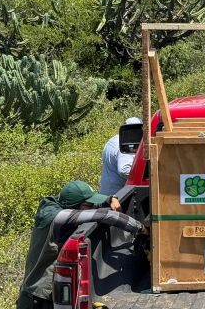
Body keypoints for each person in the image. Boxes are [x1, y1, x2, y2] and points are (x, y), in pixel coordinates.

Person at [18, 181, 144, 309]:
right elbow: (106, 215)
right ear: (74, 206)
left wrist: (109, 198)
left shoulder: (54, 204)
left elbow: (88, 208)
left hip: (40, 293)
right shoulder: (58, 218)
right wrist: (142, 228)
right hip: (37, 297)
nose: (93, 207)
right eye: (89, 205)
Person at [99, 117, 143, 195]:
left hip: (106, 192)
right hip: (117, 195)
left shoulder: (113, 140)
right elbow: (124, 170)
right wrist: (144, 175)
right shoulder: (126, 144)